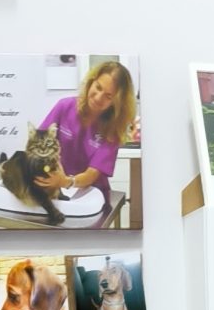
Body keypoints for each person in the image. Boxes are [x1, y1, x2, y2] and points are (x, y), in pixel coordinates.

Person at [35, 59, 137, 215]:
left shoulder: (112, 131)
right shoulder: (64, 106)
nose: (98, 97)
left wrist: (66, 181)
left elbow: (91, 175)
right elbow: (39, 141)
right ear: (91, 82)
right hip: (56, 187)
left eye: (108, 96)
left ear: (116, 103)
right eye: (98, 87)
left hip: (90, 196)